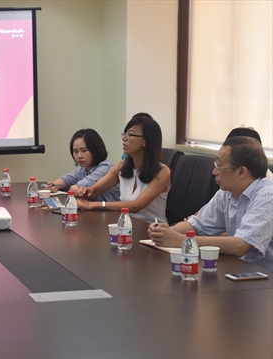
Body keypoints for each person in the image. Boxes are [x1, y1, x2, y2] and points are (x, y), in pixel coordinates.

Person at [148, 136, 273, 270]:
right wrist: (164, 232)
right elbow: (197, 225)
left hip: (264, 277)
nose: (214, 172)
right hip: (236, 270)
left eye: (218, 166)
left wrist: (180, 240)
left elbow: (241, 245)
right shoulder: (226, 193)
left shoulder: (267, 195)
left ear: (241, 172)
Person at [76, 115, 171, 224]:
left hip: (152, 229)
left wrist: (93, 205)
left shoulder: (162, 172)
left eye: (130, 135)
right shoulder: (122, 166)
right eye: (124, 134)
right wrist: (87, 191)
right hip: (126, 225)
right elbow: (94, 190)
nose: (124, 138)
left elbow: (136, 206)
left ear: (145, 141)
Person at [46, 128, 120, 202]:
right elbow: (67, 179)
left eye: (84, 151)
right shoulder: (83, 168)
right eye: (76, 152)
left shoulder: (106, 167)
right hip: (93, 207)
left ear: (95, 149)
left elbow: (75, 190)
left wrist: (73, 187)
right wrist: (55, 185)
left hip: (111, 209)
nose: (79, 156)